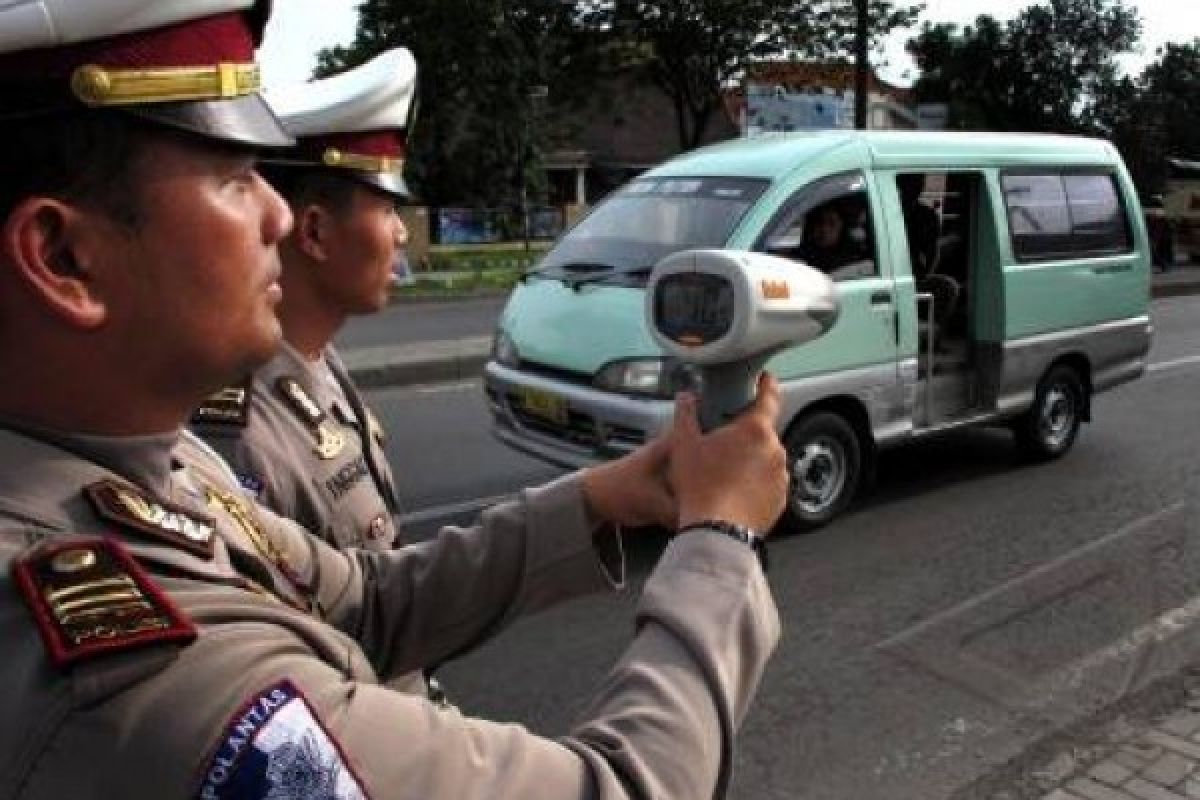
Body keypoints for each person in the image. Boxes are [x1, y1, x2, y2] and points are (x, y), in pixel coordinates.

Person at [0, 3, 788, 798]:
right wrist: (720, 539)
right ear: (64, 257)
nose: (275, 212)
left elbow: (365, 600)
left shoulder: (152, 462)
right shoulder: (129, 680)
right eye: (236, 178)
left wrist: (606, 495)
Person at [192, 48, 418, 554]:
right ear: (314, 230)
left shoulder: (318, 357)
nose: (402, 233)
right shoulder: (244, 438)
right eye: (387, 209)